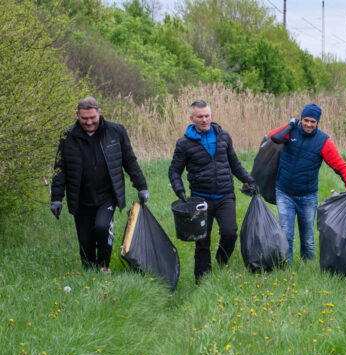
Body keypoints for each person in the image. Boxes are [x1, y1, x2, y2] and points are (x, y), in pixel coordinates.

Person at [51, 96, 149, 273]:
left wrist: (141, 187)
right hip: (80, 197)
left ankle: (104, 268)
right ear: (77, 115)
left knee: (102, 228)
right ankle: (90, 273)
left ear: (99, 112)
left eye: (92, 118)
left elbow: (129, 161)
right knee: (85, 240)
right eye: (84, 119)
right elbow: (60, 169)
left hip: (107, 195)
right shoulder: (68, 136)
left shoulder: (116, 131)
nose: (89, 122)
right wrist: (56, 198)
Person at [168, 100, 258, 283]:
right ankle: (202, 279)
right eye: (199, 116)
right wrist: (179, 190)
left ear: (211, 116)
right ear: (191, 118)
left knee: (230, 232)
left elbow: (235, 164)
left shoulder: (224, 137)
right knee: (202, 240)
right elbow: (174, 171)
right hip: (200, 198)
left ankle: (221, 260)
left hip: (225, 196)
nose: (204, 119)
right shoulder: (184, 144)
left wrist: (250, 181)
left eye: (207, 115)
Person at [269, 104, 346, 262]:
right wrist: (289, 125)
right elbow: (274, 136)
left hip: (307, 196)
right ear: (301, 118)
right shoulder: (290, 132)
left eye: (312, 122)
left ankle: (307, 267)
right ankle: (286, 268)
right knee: (285, 233)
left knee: (307, 238)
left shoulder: (323, 141)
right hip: (284, 193)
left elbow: (341, 166)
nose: (308, 124)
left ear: (317, 123)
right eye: (306, 120)